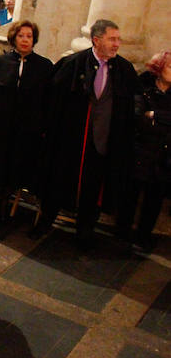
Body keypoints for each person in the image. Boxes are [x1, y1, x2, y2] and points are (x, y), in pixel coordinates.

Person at [33, 20, 141, 249]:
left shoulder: (124, 70)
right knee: (59, 182)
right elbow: (52, 103)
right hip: (71, 142)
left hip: (103, 142)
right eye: (112, 39)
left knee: (94, 188)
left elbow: (132, 105)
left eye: (118, 39)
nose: (117, 44)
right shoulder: (72, 64)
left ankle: (85, 231)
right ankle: (45, 221)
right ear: (96, 40)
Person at [0, 20, 52, 215]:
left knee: (18, 162)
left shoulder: (44, 66)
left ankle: (7, 198)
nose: (25, 40)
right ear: (14, 38)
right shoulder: (0, 63)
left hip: (25, 127)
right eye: (21, 36)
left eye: (29, 37)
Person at [116, 50, 171, 252]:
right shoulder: (144, 87)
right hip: (139, 150)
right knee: (130, 194)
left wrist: (155, 115)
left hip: (163, 155)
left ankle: (144, 235)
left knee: (154, 199)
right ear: (159, 68)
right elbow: (137, 118)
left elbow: (153, 118)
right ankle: (122, 231)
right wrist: (158, 120)